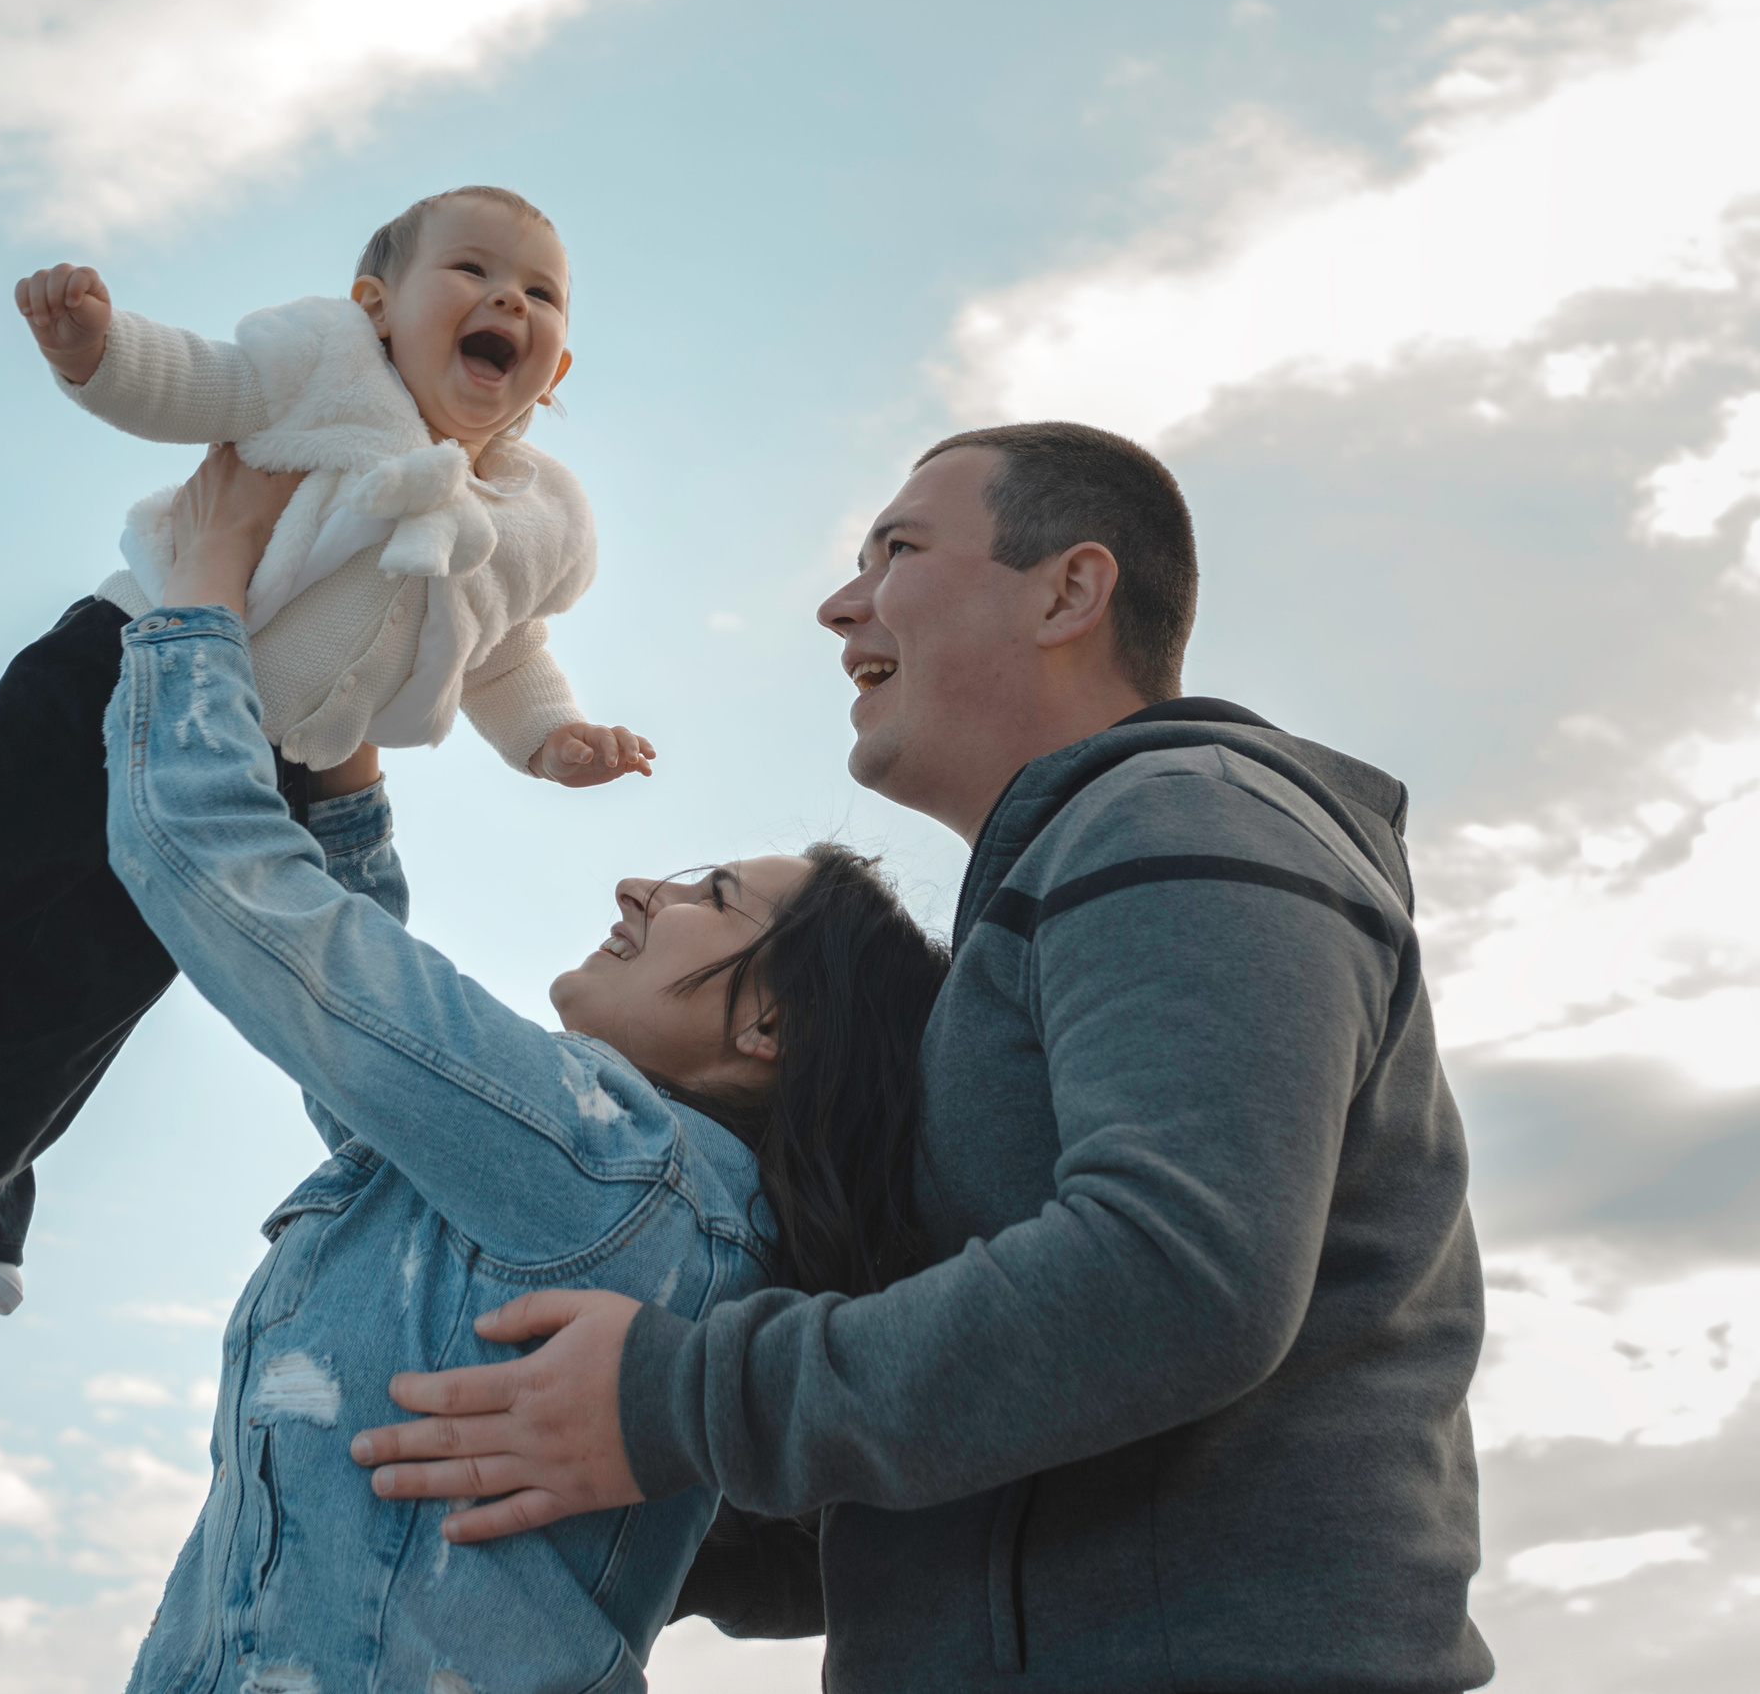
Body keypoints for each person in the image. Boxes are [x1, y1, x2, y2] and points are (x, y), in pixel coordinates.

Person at [349, 423, 1495, 1692]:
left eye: (896, 550)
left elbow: (1175, 1280)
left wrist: (678, 1402)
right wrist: (630, 1502)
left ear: (1068, 589)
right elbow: (972, 1466)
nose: (842, 604)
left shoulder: (1180, 816)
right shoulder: (1066, 892)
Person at [0, 186, 653, 1314]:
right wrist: (95, 349)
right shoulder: (322, 364)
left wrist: (553, 738)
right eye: (470, 270)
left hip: (263, 769)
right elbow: (198, 381)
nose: (508, 296)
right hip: (123, 661)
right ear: (376, 308)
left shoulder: (544, 518)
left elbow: (504, 651)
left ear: (553, 371)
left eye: (539, 292)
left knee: (101, 964)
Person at [95, 446, 952, 1693]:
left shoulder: (616, 1165)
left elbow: (221, 875)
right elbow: (370, 1051)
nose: (639, 884)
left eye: (709, 894)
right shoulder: (580, 1187)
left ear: (772, 1028)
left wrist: (200, 598)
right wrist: (346, 767)